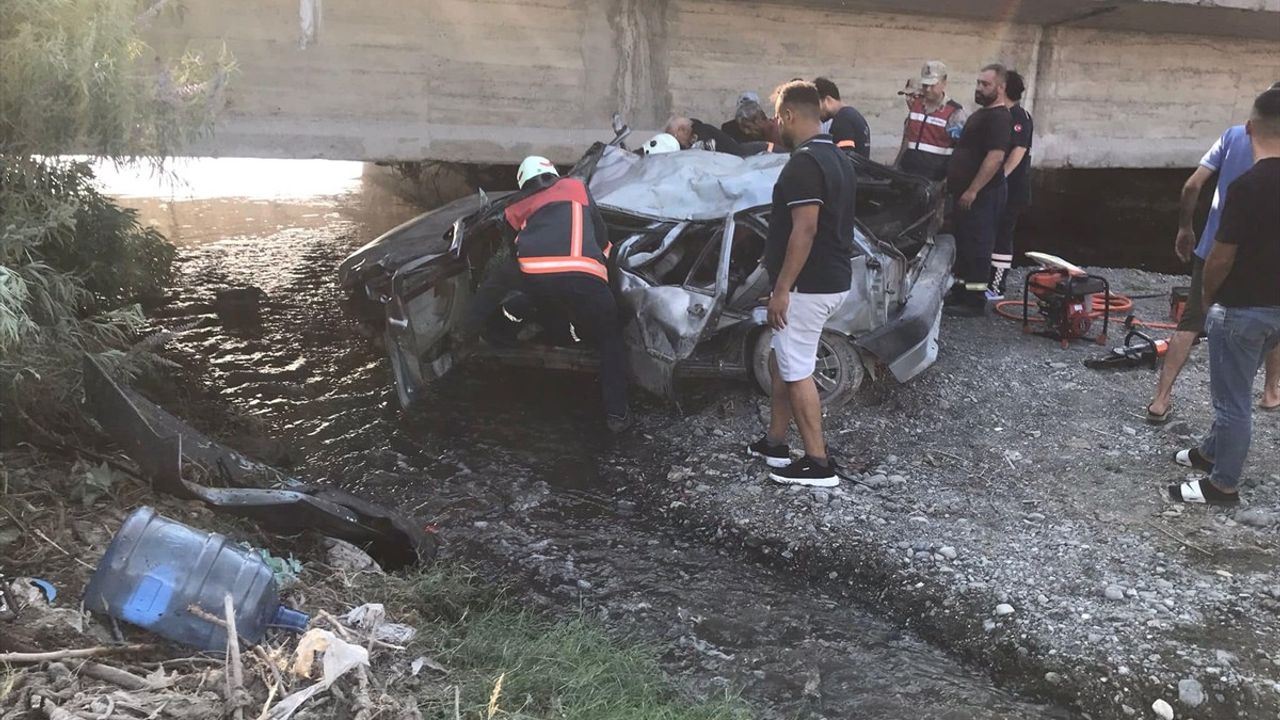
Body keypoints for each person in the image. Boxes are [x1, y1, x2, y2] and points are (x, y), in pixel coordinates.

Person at [1167, 87, 1280, 505]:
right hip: (1276, 308)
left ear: (1250, 129)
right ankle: (1209, 452)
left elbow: (1220, 256)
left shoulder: (1248, 186)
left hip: (1242, 307)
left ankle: (1223, 484)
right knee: (1240, 383)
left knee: (1232, 400)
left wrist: (1212, 300)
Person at [461, 156, 631, 432]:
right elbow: (602, 238)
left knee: (505, 286)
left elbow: (511, 249)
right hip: (586, 279)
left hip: (537, 278)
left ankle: (476, 333)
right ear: (552, 172)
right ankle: (617, 415)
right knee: (610, 339)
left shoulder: (514, 206)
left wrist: (467, 325)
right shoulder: (577, 187)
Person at [1147, 81, 1280, 423]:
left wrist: (1185, 227)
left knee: (1191, 322)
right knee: (1272, 322)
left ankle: (1160, 400)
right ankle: (1269, 392)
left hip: (1214, 247)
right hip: (1262, 259)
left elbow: (1192, 184)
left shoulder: (1233, 135)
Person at [745, 81, 855, 488]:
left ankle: (817, 462)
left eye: (777, 117)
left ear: (789, 116)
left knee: (796, 371)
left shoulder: (804, 164)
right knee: (781, 361)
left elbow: (804, 230)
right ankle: (775, 443)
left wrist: (782, 290)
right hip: (828, 278)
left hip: (809, 286)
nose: (776, 125)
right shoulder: (837, 158)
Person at [943, 64, 1011, 317]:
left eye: (986, 84)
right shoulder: (980, 114)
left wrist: (973, 190)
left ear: (1000, 88)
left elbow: (994, 158)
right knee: (963, 244)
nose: (979, 88)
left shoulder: (999, 118)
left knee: (978, 247)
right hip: (964, 193)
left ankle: (974, 300)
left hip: (982, 196)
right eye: (978, 83)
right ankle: (960, 291)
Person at [987, 69, 1033, 300]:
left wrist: (1000, 177)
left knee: (1003, 235)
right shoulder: (997, 114)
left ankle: (996, 286)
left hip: (1010, 190)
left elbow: (1018, 150)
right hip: (994, 188)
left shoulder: (1019, 116)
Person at [895, 60, 968, 181]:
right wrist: (897, 166)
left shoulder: (955, 113)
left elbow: (962, 150)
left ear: (944, 82)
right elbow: (908, 139)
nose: (927, 89)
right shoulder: (916, 106)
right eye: (924, 85)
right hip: (908, 175)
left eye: (932, 85)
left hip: (935, 179)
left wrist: (948, 180)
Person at [813, 77, 871, 158]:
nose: (815, 113)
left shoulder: (843, 120)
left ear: (827, 100)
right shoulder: (853, 115)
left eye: (816, 106)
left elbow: (843, 160)